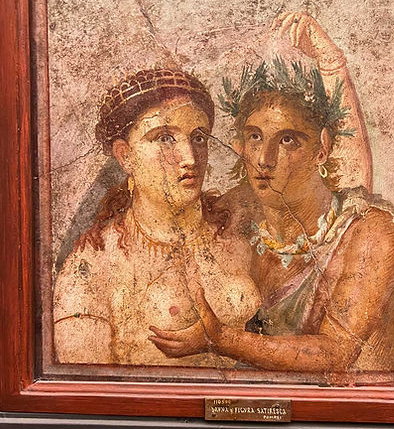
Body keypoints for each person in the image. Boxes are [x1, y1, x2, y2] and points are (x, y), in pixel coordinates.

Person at [148, 13, 394, 373]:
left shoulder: (375, 235)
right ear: (239, 145)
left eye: (288, 140)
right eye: (255, 137)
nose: (265, 159)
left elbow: (336, 352)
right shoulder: (241, 213)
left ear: (322, 149)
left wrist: (221, 338)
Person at [53, 68, 260, 367]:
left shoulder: (240, 231)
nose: (189, 158)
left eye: (198, 137)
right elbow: (88, 388)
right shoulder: (91, 267)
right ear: (125, 156)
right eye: (164, 138)